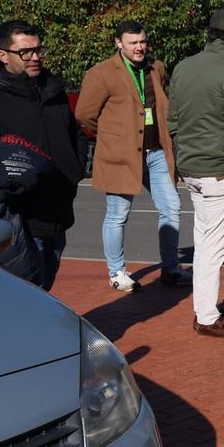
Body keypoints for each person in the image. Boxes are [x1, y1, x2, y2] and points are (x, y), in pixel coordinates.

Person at [0, 20, 85, 289]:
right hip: (18, 224)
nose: (35, 57)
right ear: (3, 55)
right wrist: (4, 183)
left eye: (38, 50)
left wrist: (74, 170)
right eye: (26, 52)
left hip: (57, 217)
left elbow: (74, 133)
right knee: (26, 300)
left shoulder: (53, 90)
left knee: (43, 295)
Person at [76, 20, 191, 291]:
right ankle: (117, 272)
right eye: (133, 43)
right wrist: (112, 136)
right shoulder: (102, 73)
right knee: (118, 214)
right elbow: (84, 114)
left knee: (172, 208)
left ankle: (171, 268)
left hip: (157, 153)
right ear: (119, 43)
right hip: (121, 156)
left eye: (142, 41)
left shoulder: (156, 68)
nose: (139, 47)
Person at [167, 8, 224, 338]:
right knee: (212, 249)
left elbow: (173, 122)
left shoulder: (184, 67)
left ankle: (209, 308)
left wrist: (183, 158)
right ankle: (205, 316)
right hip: (221, 173)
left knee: (204, 240)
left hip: (192, 169)